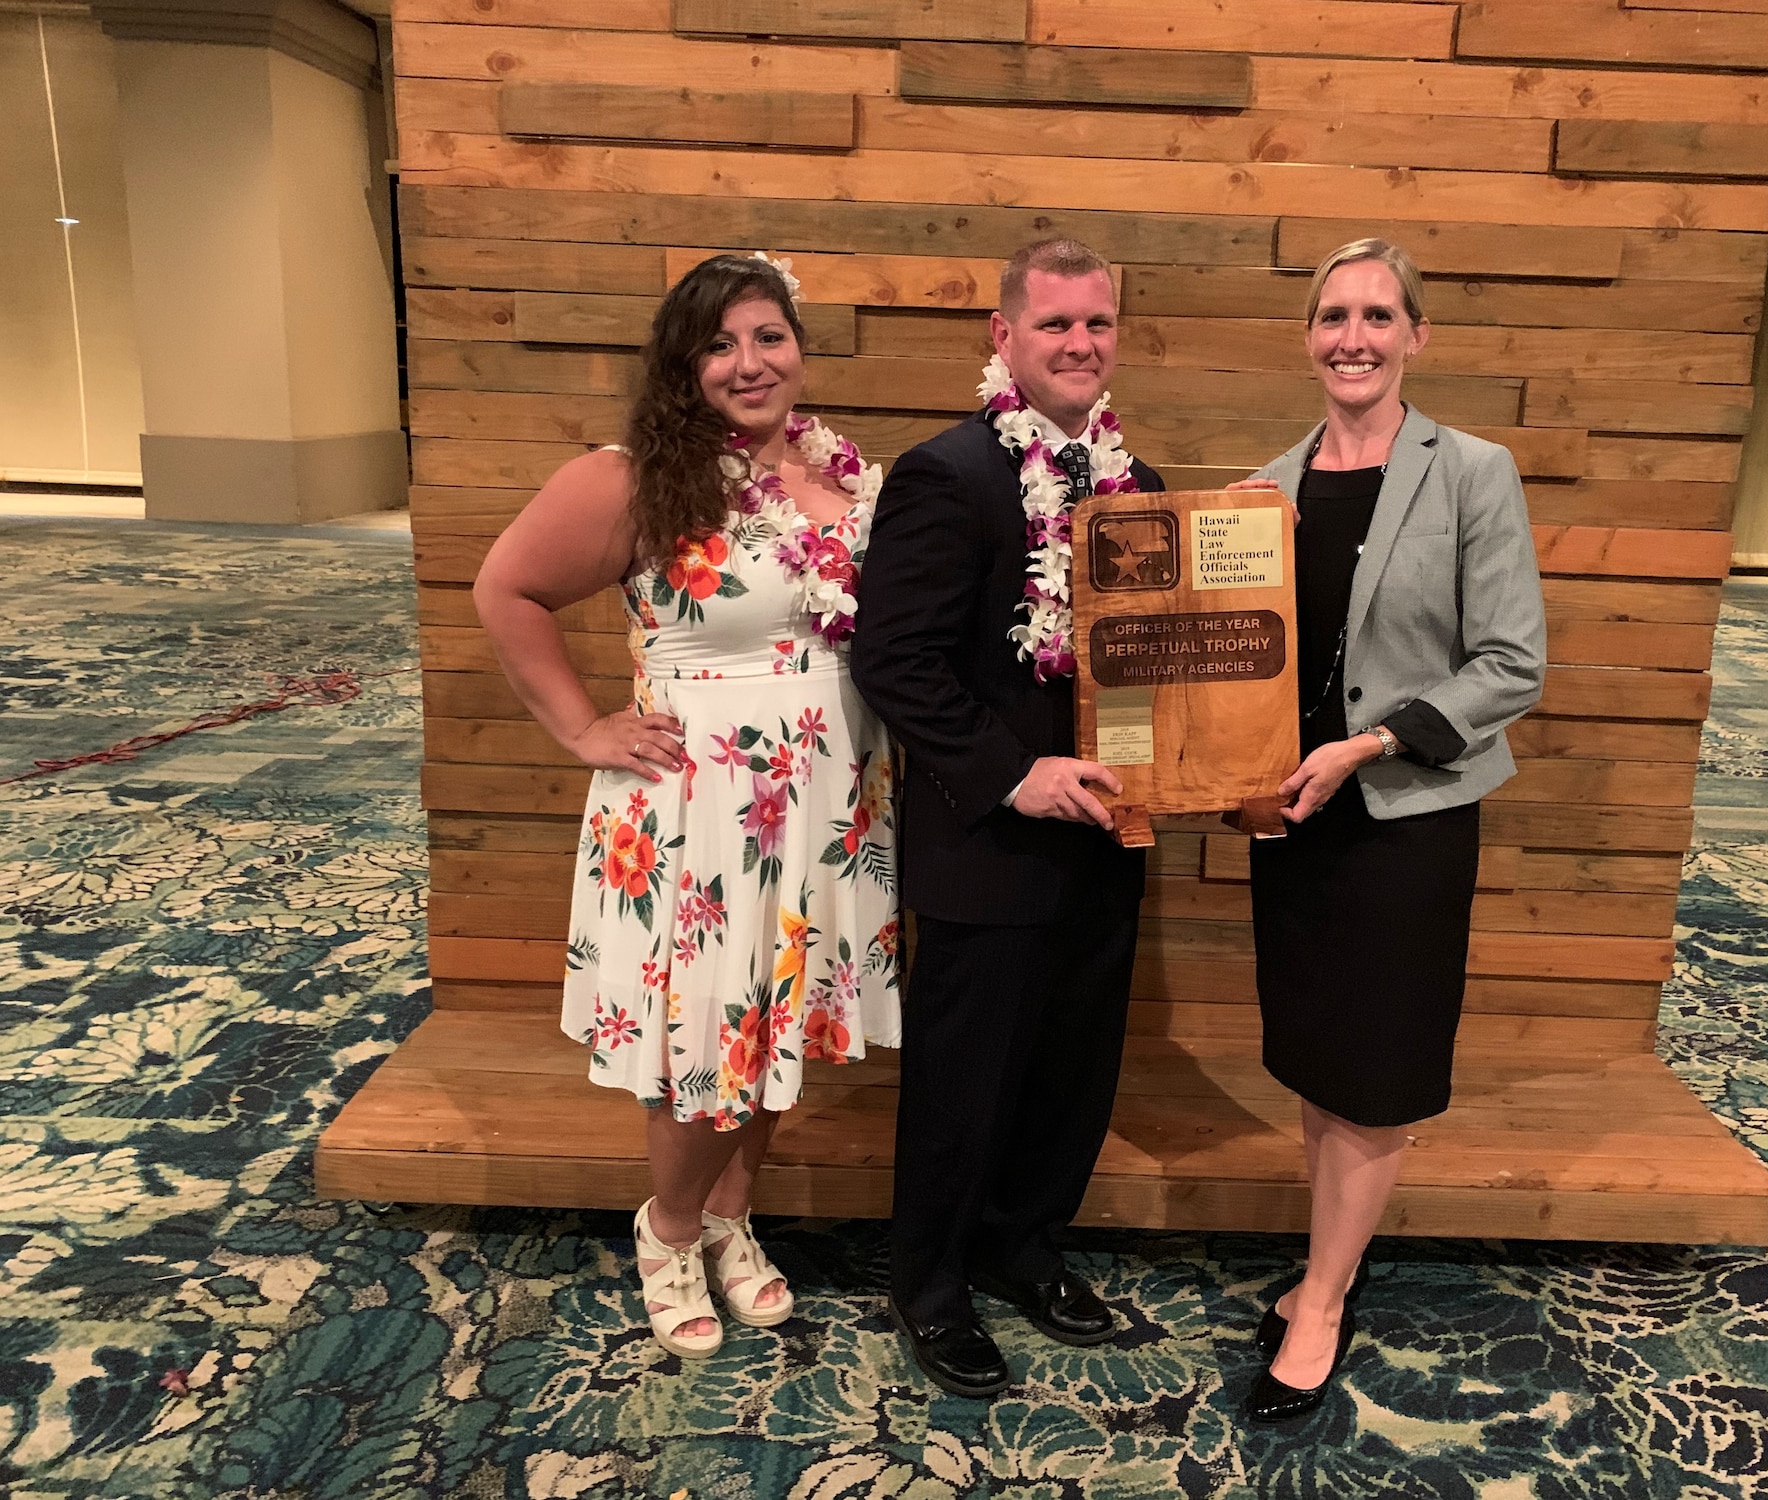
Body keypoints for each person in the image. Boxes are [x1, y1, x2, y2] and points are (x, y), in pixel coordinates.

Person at [472, 255, 900, 1359]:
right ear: (683, 364)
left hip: (821, 800)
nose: (747, 364)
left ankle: (726, 1217)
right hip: (699, 804)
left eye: (766, 337)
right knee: (703, 1036)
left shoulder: (843, 476)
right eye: (718, 345)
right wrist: (581, 729)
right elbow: (504, 589)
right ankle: (665, 1231)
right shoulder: (630, 480)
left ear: (798, 345)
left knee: (771, 1025)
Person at [1235, 238, 1546, 1421]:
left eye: (1375, 314)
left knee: (1372, 1080)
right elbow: (1237, 664)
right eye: (1330, 315)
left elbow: (1510, 662)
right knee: (1320, 1061)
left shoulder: (1471, 471)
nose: (1351, 335)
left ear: (1414, 335)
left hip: (1402, 814)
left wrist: (1368, 745)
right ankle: (1331, 1260)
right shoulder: (1263, 489)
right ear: (1306, 337)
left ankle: (1319, 1301)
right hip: (1295, 818)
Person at [850, 238, 1166, 1398]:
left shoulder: (1136, 486)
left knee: (1072, 1067)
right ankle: (928, 1284)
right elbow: (895, 661)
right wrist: (1010, 775)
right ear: (1004, 337)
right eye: (1054, 326)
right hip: (989, 841)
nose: (1079, 344)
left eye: (1096, 324)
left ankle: (1024, 1247)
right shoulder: (948, 474)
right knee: (965, 1076)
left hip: (1108, 835)